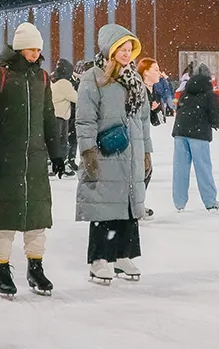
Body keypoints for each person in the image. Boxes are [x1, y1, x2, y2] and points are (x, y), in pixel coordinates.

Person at [0, 22, 61, 298]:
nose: (35, 53)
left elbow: (49, 118)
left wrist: (57, 152)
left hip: (35, 160)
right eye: (30, 48)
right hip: (6, 158)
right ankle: (1, 269)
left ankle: (35, 267)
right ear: (19, 47)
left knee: (37, 217)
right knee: (6, 217)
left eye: (38, 49)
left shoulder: (42, 78)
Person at [76, 24, 151, 284]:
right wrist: (88, 151)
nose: (127, 53)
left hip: (132, 152)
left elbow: (143, 119)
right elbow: (84, 120)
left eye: (130, 49)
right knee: (104, 204)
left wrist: (146, 152)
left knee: (128, 203)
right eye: (122, 49)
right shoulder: (93, 77)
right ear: (111, 49)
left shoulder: (135, 79)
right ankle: (100, 259)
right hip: (105, 152)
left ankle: (122, 254)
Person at [171, 64, 219, 211]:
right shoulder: (209, 93)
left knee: (180, 168)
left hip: (180, 132)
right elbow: (214, 114)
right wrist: (215, 123)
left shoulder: (186, 91)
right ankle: (210, 201)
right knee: (203, 168)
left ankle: (179, 202)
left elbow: (180, 108)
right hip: (198, 134)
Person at [137, 57, 163, 220]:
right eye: (155, 69)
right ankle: (135, 206)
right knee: (143, 172)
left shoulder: (152, 91)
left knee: (145, 171)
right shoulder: (139, 90)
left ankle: (137, 205)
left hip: (144, 137)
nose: (159, 73)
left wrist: (156, 109)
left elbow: (156, 122)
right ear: (145, 72)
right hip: (136, 138)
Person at [51, 59, 79, 178]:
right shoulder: (64, 83)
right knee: (62, 142)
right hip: (61, 116)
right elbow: (76, 98)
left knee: (55, 141)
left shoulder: (54, 80)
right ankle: (61, 165)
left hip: (54, 114)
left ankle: (53, 164)